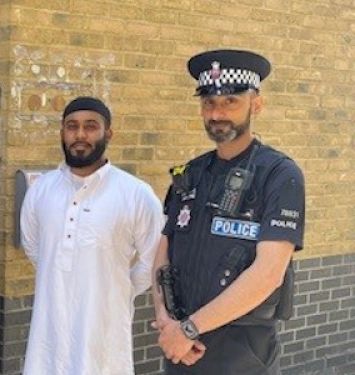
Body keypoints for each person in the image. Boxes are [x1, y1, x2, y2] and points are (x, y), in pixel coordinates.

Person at [151, 49, 306, 375]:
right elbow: (163, 253)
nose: (217, 113)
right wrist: (166, 322)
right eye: (209, 103)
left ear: (256, 104)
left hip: (243, 356)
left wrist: (189, 329)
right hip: (181, 352)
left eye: (230, 102)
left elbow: (268, 275)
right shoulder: (190, 173)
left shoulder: (279, 174)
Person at [20, 97, 164, 374]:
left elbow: (154, 258)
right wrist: (64, 276)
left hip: (104, 331)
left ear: (108, 133)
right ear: (62, 132)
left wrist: (117, 288)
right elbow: (33, 246)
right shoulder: (41, 190)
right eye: (72, 126)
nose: (80, 135)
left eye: (91, 126)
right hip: (49, 327)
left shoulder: (135, 193)